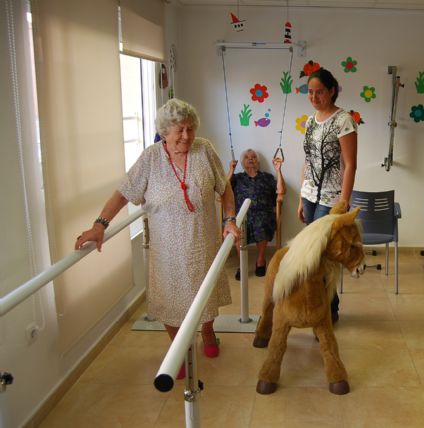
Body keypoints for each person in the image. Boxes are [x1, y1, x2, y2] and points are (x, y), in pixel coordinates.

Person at [75, 99, 240, 379]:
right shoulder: (150, 158)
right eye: (179, 130)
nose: (186, 136)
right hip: (166, 250)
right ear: (164, 131)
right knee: (169, 302)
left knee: (206, 294)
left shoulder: (205, 150)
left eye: (190, 129)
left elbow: (224, 190)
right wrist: (99, 225)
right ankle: (178, 349)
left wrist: (230, 220)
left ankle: (209, 332)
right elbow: (123, 193)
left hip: (201, 242)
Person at [297, 68, 358, 323]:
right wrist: (301, 197)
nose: (314, 96)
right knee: (311, 257)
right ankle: (317, 306)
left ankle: (329, 309)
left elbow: (350, 164)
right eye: (310, 92)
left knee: (322, 257)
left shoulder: (343, 120)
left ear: (331, 91)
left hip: (331, 200)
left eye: (319, 91)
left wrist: (342, 204)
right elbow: (308, 161)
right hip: (310, 195)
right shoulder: (311, 121)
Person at [227, 149, 286, 280]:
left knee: (263, 222)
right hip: (242, 214)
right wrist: (231, 170)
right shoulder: (237, 178)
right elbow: (224, 188)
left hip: (262, 213)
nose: (251, 159)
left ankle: (260, 261)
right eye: (247, 157)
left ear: (258, 162)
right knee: (237, 226)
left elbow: (281, 191)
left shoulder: (267, 177)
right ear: (242, 162)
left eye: (253, 157)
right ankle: (242, 263)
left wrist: (278, 170)